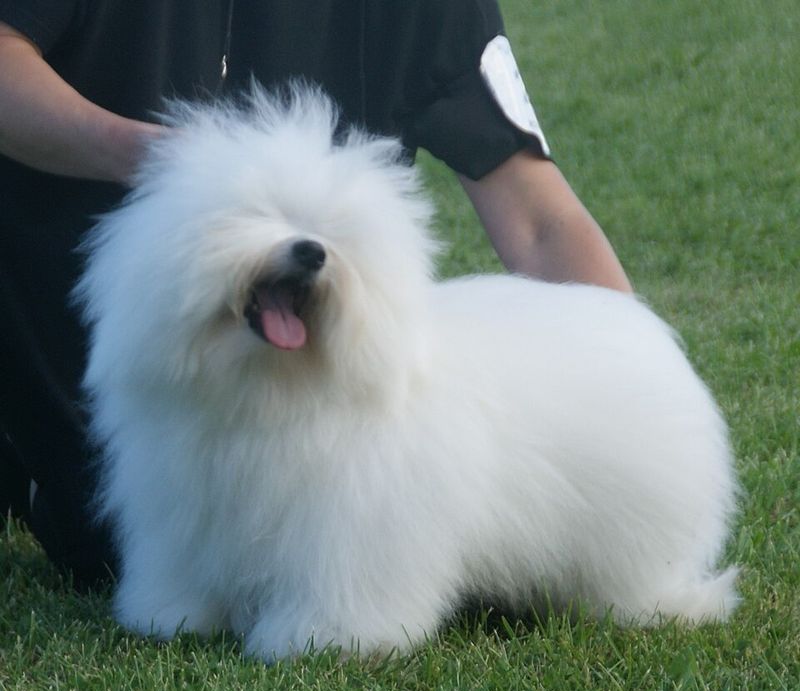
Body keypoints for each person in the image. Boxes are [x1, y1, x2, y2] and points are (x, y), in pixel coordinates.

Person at [0, 1, 632, 589]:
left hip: (304, 389)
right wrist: (147, 155)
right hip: (86, 365)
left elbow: (542, 222)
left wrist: (638, 402)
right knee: (109, 543)